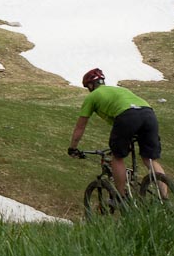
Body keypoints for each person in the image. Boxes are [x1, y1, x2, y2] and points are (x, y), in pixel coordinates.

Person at [67, 67, 165, 198]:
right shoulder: (121, 89)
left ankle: (120, 196)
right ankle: (165, 198)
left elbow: (80, 127)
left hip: (127, 116)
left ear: (90, 85)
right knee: (150, 159)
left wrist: (73, 148)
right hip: (149, 114)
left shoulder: (92, 97)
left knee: (117, 158)